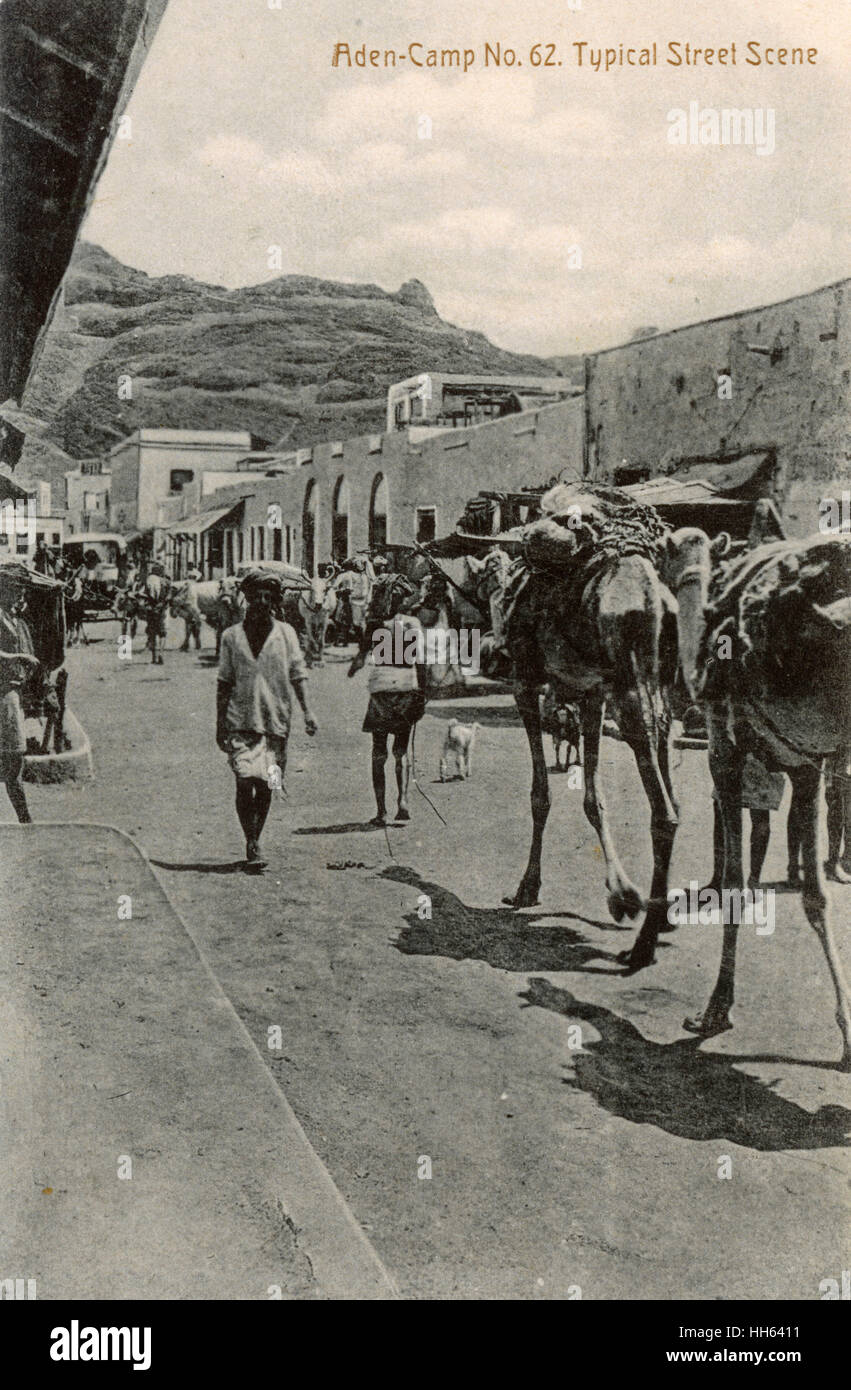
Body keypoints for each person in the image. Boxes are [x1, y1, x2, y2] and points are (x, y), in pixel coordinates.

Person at [217, 571, 317, 870]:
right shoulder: (231, 637)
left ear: (274, 601)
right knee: (244, 778)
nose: (262, 602)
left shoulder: (286, 634)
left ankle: (256, 837)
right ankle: (251, 839)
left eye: (267, 597)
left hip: (276, 722)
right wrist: (219, 723)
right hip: (241, 720)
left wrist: (308, 711)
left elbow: (298, 674)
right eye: (256, 596)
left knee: (267, 784)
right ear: (246, 599)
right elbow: (224, 682)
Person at [348, 589, 425, 826]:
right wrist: (422, 694)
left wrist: (353, 669)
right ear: (402, 601)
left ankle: (381, 811)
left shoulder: (374, 624)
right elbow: (420, 661)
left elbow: (361, 658)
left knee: (378, 752)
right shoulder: (412, 623)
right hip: (405, 686)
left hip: (381, 687)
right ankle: (403, 802)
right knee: (401, 749)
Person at [0, 569, 40, 822]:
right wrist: (19, 657)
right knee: (12, 759)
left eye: (23, 591)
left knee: (14, 761)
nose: (21, 596)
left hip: (12, 695)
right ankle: (25, 819)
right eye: (16, 590)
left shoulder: (18, 621)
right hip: (2, 696)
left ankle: (25, 819)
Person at [144, 561, 170, 665]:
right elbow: (169, 596)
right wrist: (162, 604)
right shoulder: (166, 581)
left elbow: (145, 595)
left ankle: (154, 657)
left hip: (151, 609)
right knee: (163, 633)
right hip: (162, 609)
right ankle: (161, 654)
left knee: (152, 633)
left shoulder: (148, 580)